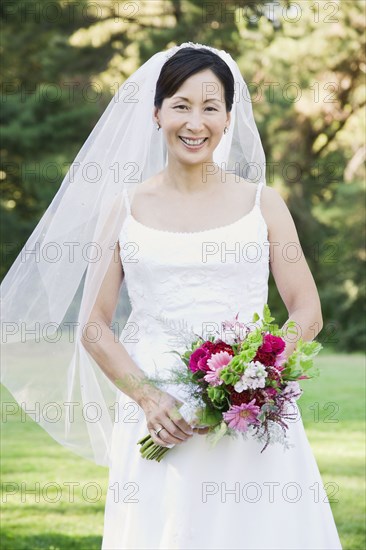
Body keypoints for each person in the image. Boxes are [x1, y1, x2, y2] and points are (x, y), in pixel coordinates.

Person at [0, 43, 342, 549]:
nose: (195, 122)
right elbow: (94, 324)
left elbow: (306, 311)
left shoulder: (263, 204)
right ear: (156, 112)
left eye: (210, 107)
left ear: (229, 117)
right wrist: (148, 398)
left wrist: (255, 379)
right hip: (158, 417)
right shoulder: (124, 209)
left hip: (252, 416)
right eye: (181, 105)